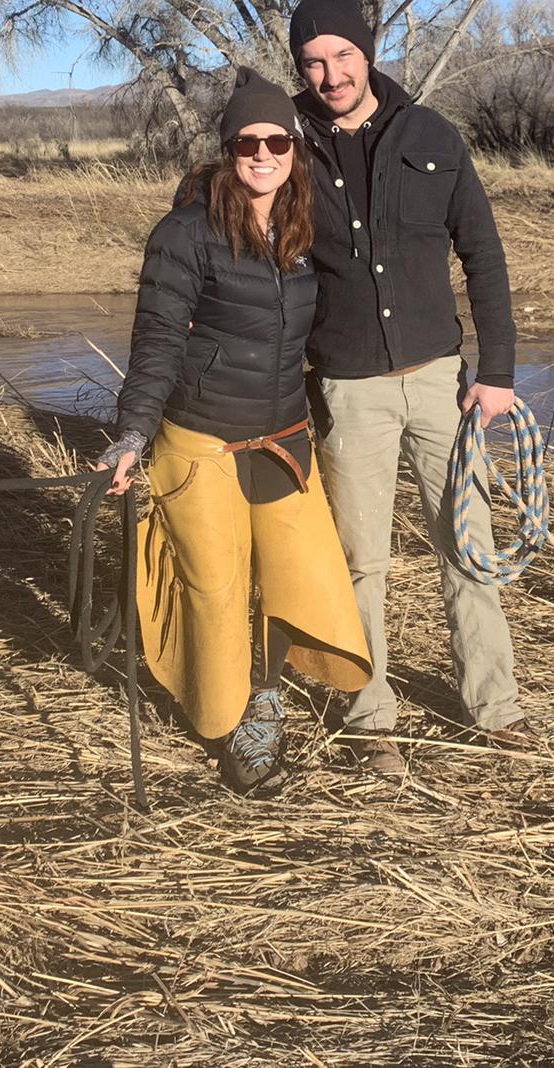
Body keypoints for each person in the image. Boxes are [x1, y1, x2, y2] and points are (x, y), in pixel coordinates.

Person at [93, 68, 370, 796]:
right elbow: (155, 338)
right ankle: (225, 727)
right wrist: (130, 436)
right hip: (202, 441)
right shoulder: (185, 232)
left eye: (277, 139)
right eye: (247, 141)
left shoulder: (306, 229)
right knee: (214, 591)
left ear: (293, 151)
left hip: (282, 437)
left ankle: (267, 695)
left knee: (294, 575)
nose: (262, 152)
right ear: (227, 150)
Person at [287, 0, 530, 776]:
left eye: (343, 56)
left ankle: (495, 710)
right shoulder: (284, 146)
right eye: (314, 61)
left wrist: (496, 372)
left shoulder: (431, 134)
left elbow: (483, 257)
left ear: (368, 52)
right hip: (347, 386)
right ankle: (370, 719)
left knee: (469, 547)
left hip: (441, 383)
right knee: (360, 563)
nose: (331, 75)